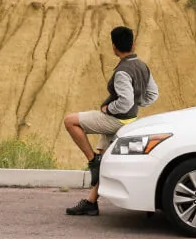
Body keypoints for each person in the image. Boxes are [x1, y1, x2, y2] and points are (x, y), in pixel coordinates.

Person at [63, 25, 158, 216]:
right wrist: (138, 104)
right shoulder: (142, 66)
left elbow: (124, 102)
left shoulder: (123, 71)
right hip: (130, 119)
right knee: (106, 159)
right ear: (133, 44)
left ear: (114, 47)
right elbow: (153, 94)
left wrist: (109, 108)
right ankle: (91, 203)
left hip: (116, 120)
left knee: (70, 121)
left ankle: (92, 161)